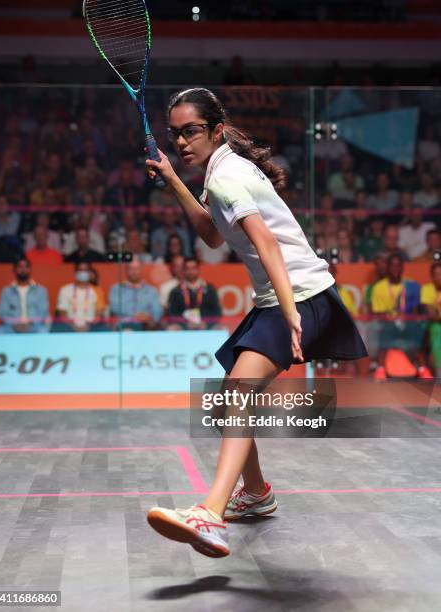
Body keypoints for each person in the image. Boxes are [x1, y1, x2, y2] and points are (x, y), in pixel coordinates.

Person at [144, 88, 367, 558]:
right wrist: (172, 179)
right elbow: (210, 234)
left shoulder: (227, 178)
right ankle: (257, 492)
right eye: (176, 134)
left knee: (237, 393)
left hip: (299, 294)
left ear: (216, 131)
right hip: (286, 295)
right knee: (232, 395)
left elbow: (265, 243)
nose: (182, 142)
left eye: (192, 132)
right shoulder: (219, 172)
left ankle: (211, 512)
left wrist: (289, 312)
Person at [370, 254, 429, 380]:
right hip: (387, 322)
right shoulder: (378, 288)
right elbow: (378, 313)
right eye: (392, 266)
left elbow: (415, 310)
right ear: (388, 268)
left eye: (398, 266)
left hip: (407, 321)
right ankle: (380, 368)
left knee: (418, 327)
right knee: (379, 328)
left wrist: (407, 318)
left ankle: (422, 368)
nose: (395, 269)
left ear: (402, 268)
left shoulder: (411, 285)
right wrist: (390, 319)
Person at [0, 258, 50, 334]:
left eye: (26, 267)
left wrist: (30, 324)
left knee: (43, 332)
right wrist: (15, 324)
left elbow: (43, 312)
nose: (23, 269)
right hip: (11, 327)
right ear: (14, 270)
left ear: (30, 269)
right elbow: (3, 313)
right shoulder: (6, 291)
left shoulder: (41, 290)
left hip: (34, 327)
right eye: (20, 267)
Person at [166, 257, 223, 329]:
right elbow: (171, 313)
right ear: (183, 270)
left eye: (193, 268)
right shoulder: (176, 291)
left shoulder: (210, 289)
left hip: (206, 325)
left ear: (198, 269)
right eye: (188, 268)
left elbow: (217, 311)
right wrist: (186, 323)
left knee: (221, 328)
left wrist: (205, 323)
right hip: (183, 327)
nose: (191, 271)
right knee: (172, 328)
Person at [109, 256, 162, 331]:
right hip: (123, 326)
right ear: (126, 270)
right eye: (131, 269)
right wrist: (135, 315)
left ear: (141, 270)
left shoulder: (152, 291)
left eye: (137, 269)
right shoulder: (116, 289)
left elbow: (157, 311)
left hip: (146, 327)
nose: (134, 272)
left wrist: (148, 316)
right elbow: (114, 308)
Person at [54, 262, 101, 332]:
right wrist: (73, 326)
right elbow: (63, 313)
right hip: (69, 326)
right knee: (57, 329)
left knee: (103, 329)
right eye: (80, 270)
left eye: (85, 270)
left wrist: (88, 326)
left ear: (90, 273)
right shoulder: (65, 290)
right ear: (75, 272)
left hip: (91, 326)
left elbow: (98, 314)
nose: (83, 272)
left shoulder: (97, 291)